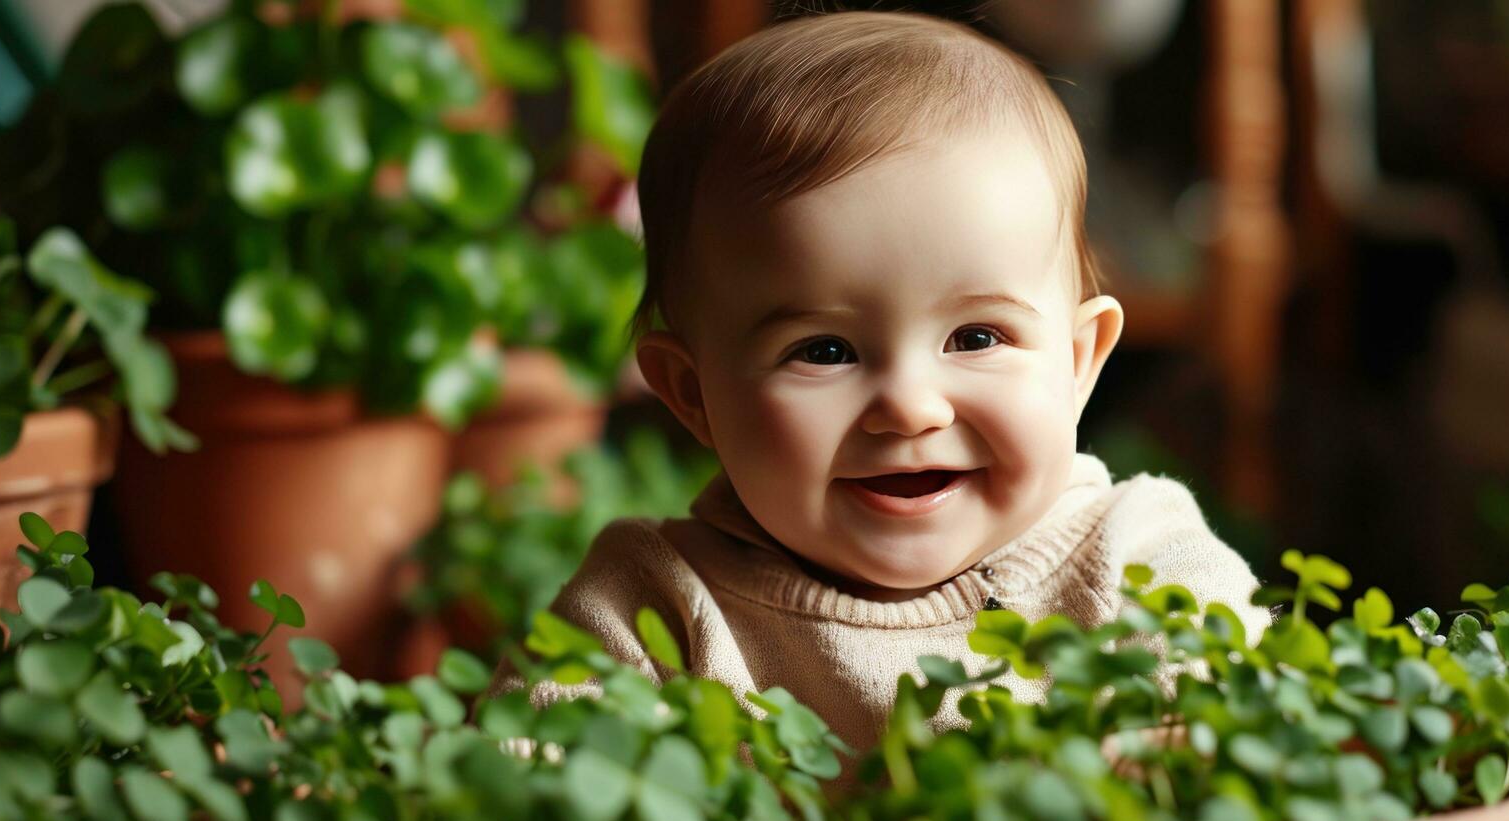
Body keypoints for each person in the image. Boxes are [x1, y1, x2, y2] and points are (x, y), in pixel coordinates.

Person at [490, 11, 1269, 752]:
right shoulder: (651, 607)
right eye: (824, 351)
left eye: (976, 337)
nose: (909, 408)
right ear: (692, 393)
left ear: (1077, 362)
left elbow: (1245, 738)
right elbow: (515, 793)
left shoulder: (1140, 561)